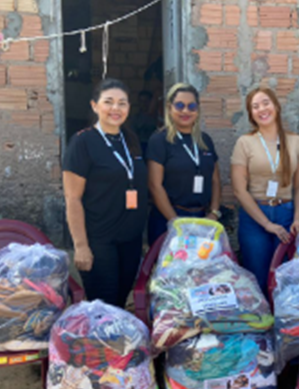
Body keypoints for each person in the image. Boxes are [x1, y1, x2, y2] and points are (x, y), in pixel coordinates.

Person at [62, 78, 147, 307]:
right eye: (108, 102)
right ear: (94, 106)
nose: (115, 108)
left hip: (130, 241)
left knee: (120, 302)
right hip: (99, 241)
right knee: (103, 306)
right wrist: (81, 246)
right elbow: (72, 198)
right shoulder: (82, 142)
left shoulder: (130, 140)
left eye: (122, 103)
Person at [231, 87, 299, 294]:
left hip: (286, 214)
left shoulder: (295, 141)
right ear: (251, 113)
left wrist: (298, 217)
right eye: (255, 106)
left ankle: (283, 316)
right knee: (258, 279)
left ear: (276, 106)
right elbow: (239, 190)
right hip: (255, 217)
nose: (262, 109)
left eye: (266, 103)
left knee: (286, 280)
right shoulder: (245, 143)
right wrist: (266, 224)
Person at [146, 83, 222, 245]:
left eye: (191, 106)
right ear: (169, 108)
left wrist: (214, 213)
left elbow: (215, 180)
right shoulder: (159, 140)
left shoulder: (205, 141)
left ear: (197, 110)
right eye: (179, 106)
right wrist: (175, 222)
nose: (185, 111)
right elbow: (154, 185)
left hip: (202, 219)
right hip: (168, 219)